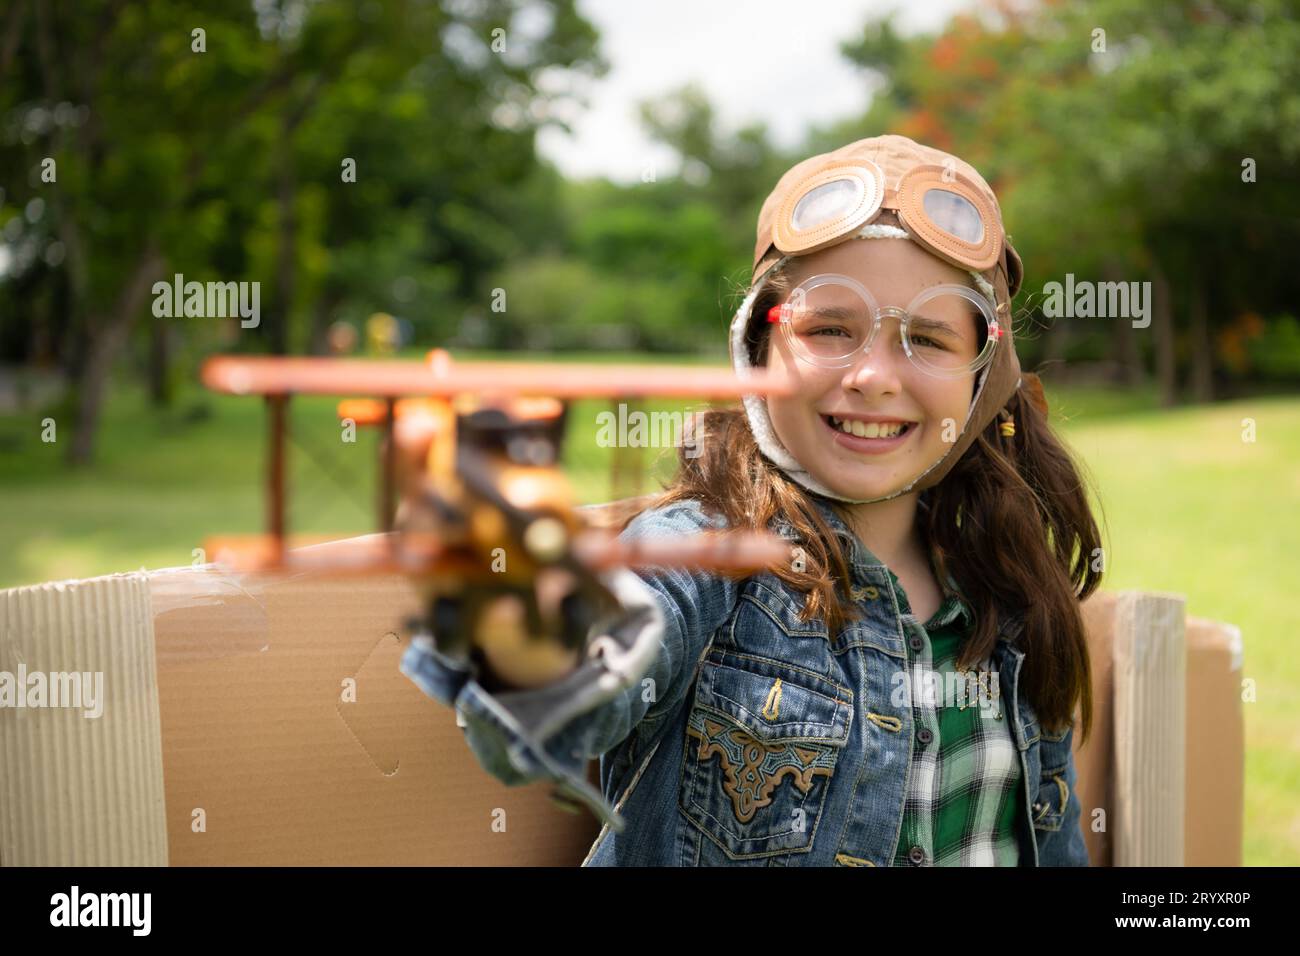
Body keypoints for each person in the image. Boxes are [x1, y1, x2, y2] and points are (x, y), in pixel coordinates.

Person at [402, 134, 1101, 867]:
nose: (872, 375)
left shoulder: (1009, 597)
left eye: (926, 339)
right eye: (830, 328)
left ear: (981, 379)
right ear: (758, 347)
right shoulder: (704, 556)